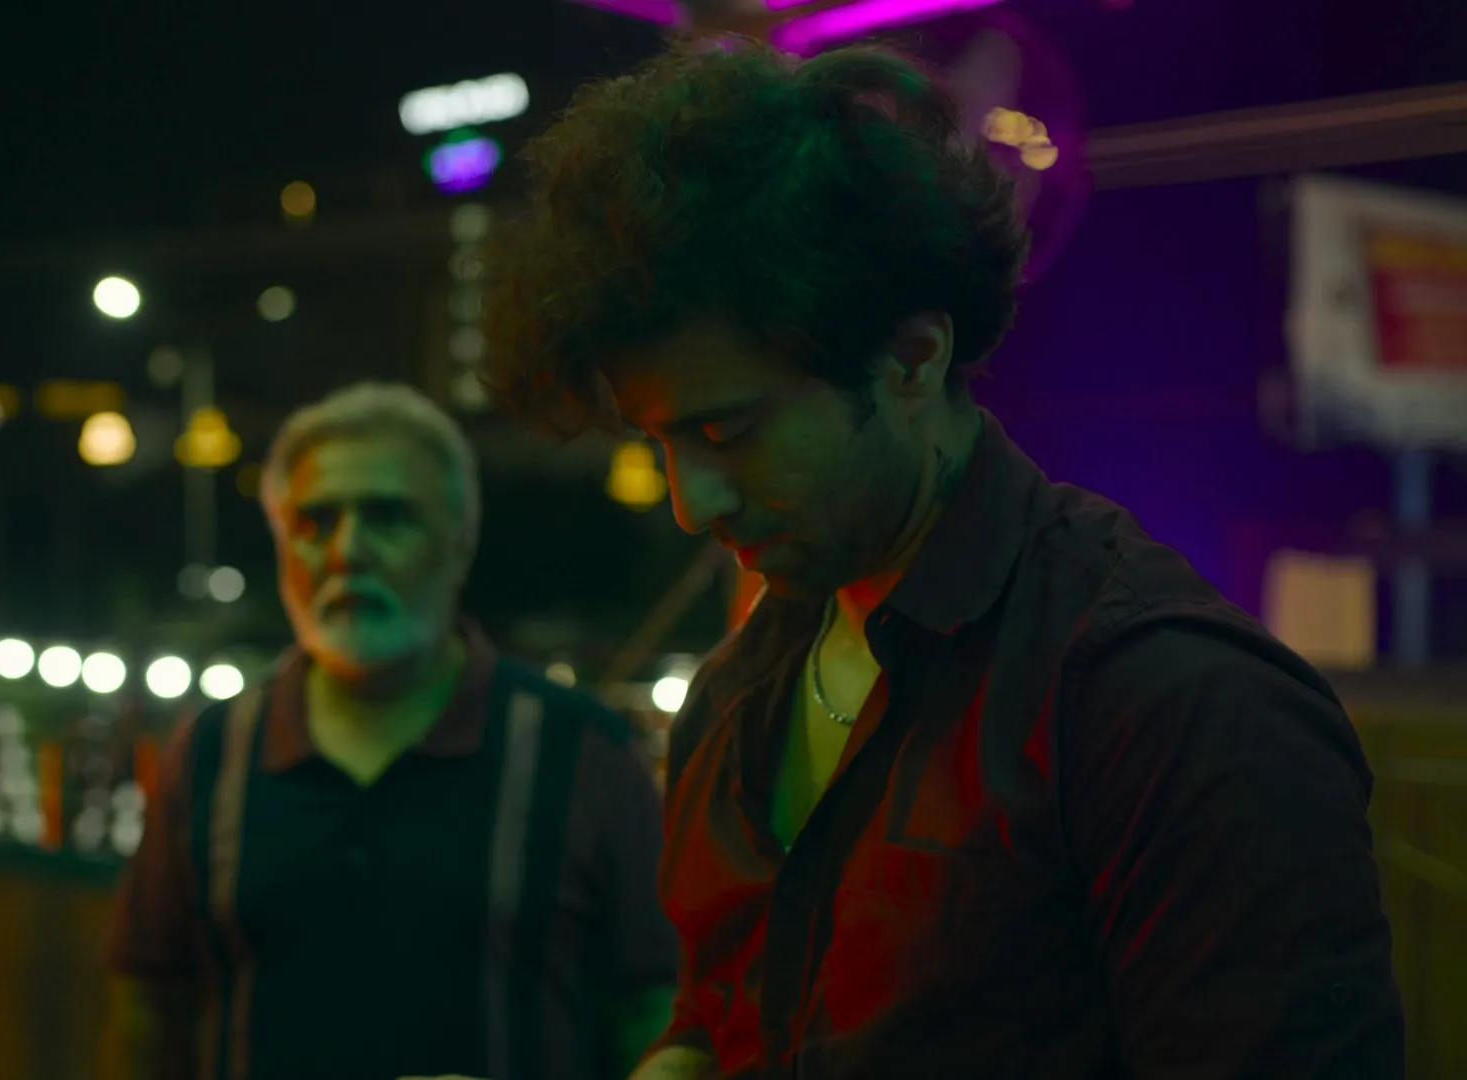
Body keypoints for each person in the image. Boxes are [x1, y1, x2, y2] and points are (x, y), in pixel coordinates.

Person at [480, 41, 1402, 1080]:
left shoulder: (1171, 701)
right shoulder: (736, 694)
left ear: (912, 357)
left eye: (729, 433)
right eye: (660, 444)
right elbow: (726, 1022)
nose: (694, 504)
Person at [102, 382, 679, 1080]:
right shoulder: (212, 755)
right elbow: (148, 1011)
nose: (348, 550)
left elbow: (653, 1017)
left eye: (389, 517)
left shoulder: (581, 753)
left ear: (460, 542)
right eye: (315, 521)